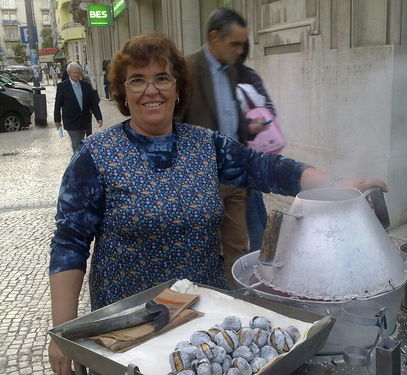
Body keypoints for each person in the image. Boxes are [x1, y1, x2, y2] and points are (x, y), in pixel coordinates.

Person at [48, 31, 387, 374]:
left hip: (201, 321)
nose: (152, 90)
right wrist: (62, 332)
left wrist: (333, 185)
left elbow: (266, 168)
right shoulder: (96, 155)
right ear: (123, 92)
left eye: (162, 78)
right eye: (138, 80)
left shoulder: (205, 145)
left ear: (178, 89)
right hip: (127, 330)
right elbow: (69, 244)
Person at [177, 8, 253, 286]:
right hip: (201, 179)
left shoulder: (232, 70)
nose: (240, 50)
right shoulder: (186, 69)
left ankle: (238, 304)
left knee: (238, 248)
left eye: (242, 43)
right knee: (200, 252)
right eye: (234, 43)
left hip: (234, 176)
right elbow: (175, 124)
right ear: (214, 37)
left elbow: (228, 115)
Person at [236, 40, 277, 252]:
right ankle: (266, 254)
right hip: (255, 153)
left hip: (242, 155)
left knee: (252, 211)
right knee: (256, 205)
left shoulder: (231, 79)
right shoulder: (249, 75)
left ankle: (260, 262)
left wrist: (250, 125)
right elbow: (271, 110)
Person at [54, 62, 103, 152]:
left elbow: (93, 103)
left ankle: (79, 161)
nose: (76, 75)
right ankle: (76, 164)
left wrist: (99, 118)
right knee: (76, 143)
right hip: (71, 121)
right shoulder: (62, 87)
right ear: (69, 73)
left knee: (81, 142)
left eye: (78, 72)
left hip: (84, 120)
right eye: (74, 72)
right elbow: (57, 104)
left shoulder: (86, 86)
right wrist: (57, 120)